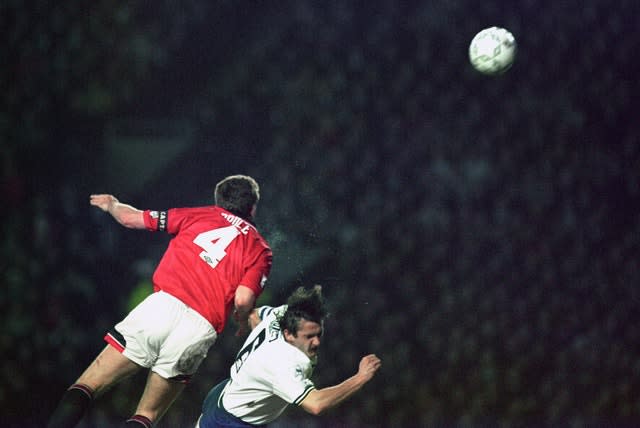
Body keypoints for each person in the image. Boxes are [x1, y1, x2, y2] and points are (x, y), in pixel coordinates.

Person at [47, 174, 273, 428]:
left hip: (161, 307)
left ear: (218, 201)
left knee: (88, 384)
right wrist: (242, 321)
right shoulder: (260, 249)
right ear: (253, 207)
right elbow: (243, 298)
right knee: (147, 415)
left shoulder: (199, 214)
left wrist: (112, 204)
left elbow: (130, 219)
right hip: (199, 328)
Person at [196, 285, 382, 427]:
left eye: (319, 333)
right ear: (288, 334)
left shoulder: (284, 313)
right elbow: (316, 404)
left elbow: (254, 315)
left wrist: (259, 362)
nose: (317, 342)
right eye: (309, 337)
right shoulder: (282, 364)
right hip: (232, 422)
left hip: (225, 394)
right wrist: (360, 378)